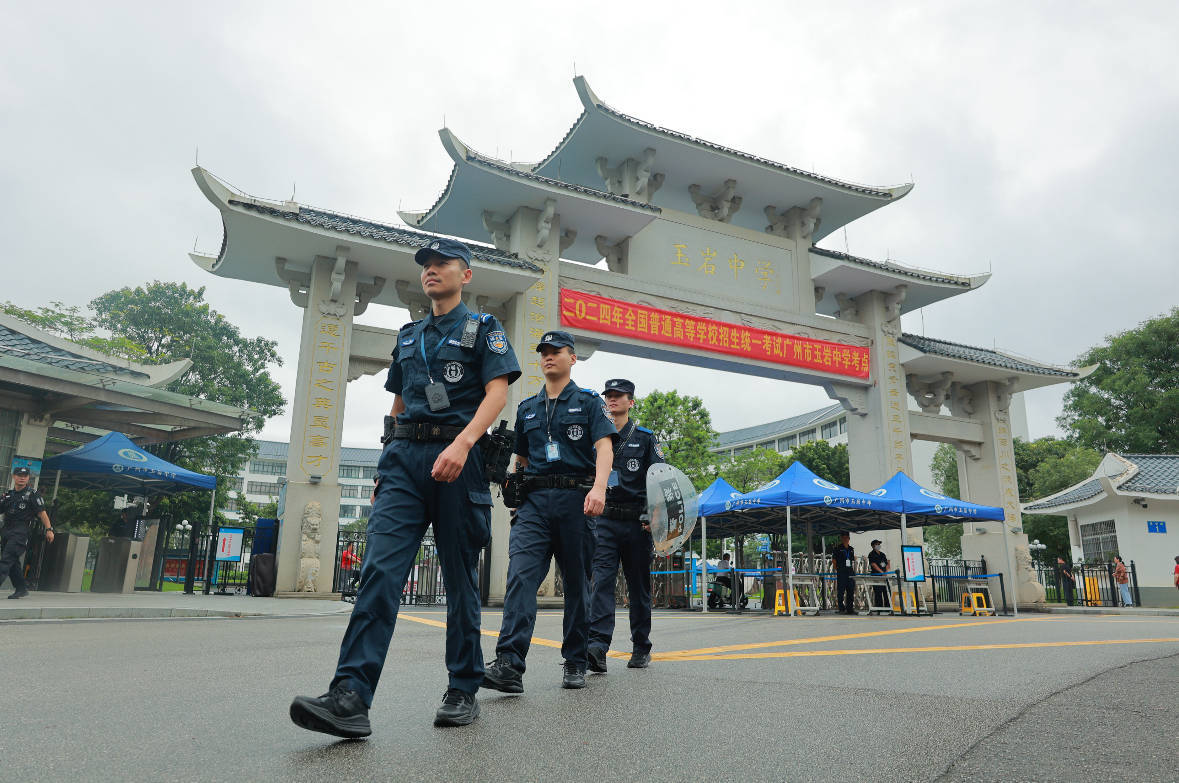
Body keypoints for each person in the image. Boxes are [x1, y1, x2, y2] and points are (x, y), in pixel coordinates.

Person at [289, 238, 520, 736]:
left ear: (466, 275)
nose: (431, 271)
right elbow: (397, 404)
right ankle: (350, 695)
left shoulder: (485, 329)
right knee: (379, 573)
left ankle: (462, 687)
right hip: (404, 461)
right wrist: (381, 471)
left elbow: (497, 392)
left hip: (459, 460)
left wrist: (462, 445)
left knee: (460, 580)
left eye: (442, 264)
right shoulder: (410, 334)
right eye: (426, 266)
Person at [483, 331, 615, 693]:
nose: (549, 357)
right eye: (543, 352)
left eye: (556, 351)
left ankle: (575, 661)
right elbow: (521, 458)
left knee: (576, 585)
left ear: (573, 358)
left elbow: (604, 448)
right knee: (521, 577)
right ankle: (510, 663)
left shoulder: (588, 402)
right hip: (535, 504)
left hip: (578, 500)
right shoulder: (527, 408)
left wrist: (599, 489)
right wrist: (514, 483)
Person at [587, 378, 664, 673]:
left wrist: (655, 519)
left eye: (619, 396)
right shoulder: (597, 436)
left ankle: (641, 646)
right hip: (604, 520)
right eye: (609, 395)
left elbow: (660, 477)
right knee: (601, 583)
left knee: (638, 587)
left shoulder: (644, 438)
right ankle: (597, 647)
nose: (613, 399)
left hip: (636, 524)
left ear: (631, 402)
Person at [0, 467, 55, 599]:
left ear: (28, 478)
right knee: (13, 562)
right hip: (6, 530)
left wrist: (49, 529)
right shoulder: (8, 494)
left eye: (25, 475)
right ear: (14, 476)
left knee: (6, 560)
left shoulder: (32, 494)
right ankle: (21, 588)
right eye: (19, 475)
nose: (22, 477)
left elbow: (42, 513)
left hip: (20, 531)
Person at [831, 532, 856, 614]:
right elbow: (834, 560)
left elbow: (852, 560)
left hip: (850, 572)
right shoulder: (837, 548)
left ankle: (850, 608)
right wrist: (837, 569)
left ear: (849, 539)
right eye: (844, 538)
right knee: (841, 591)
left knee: (851, 590)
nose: (845, 539)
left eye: (847, 538)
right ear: (841, 539)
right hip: (842, 572)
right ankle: (841, 608)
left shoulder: (851, 549)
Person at [867, 539, 890, 611]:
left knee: (887, 591)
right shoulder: (871, 554)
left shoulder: (882, 554)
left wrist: (885, 572)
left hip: (884, 576)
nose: (878, 546)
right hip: (876, 575)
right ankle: (879, 608)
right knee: (878, 592)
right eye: (877, 544)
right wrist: (881, 572)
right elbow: (873, 565)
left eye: (879, 544)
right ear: (873, 546)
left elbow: (887, 564)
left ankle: (888, 607)